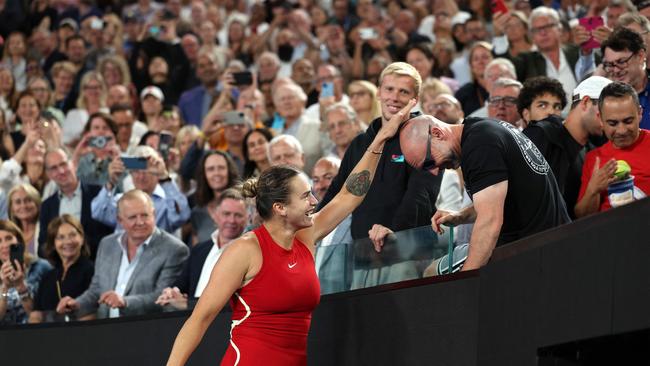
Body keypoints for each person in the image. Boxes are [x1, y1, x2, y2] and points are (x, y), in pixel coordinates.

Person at [165, 98, 417, 366]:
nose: (314, 202)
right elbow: (200, 319)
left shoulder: (306, 236)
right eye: (305, 196)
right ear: (280, 208)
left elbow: (349, 195)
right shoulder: (244, 250)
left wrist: (380, 140)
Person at [396, 112, 570, 273]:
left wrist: (465, 284)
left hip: (535, 248)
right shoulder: (479, 130)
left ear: (437, 134)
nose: (434, 172)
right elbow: (498, 200)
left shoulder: (479, 146)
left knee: (432, 273)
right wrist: (460, 216)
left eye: (428, 163)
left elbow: (490, 221)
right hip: (551, 239)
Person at [56, 190, 189, 319]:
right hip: (107, 330)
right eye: (132, 217)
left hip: (148, 331)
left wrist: (125, 302)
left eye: (145, 215)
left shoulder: (174, 250)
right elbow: (97, 289)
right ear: (120, 220)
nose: (140, 222)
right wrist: (76, 304)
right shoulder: (107, 244)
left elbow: (162, 298)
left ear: (153, 214)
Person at [523, 76, 609, 219]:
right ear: (586, 102)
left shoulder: (593, 151)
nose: (608, 120)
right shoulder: (541, 134)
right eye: (604, 112)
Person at [156, 189, 248, 311]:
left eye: (238, 215)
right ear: (215, 215)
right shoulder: (200, 250)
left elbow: (237, 301)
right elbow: (181, 283)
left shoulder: (249, 254)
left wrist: (187, 304)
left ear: (248, 218)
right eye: (226, 214)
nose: (232, 220)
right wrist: (172, 292)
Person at [575, 81, 650, 217]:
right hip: (609, 234)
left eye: (628, 121)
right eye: (613, 123)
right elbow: (582, 216)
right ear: (601, 120)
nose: (621, 130)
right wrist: (593, 190)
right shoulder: (594, 159)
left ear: (640, 113)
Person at [91, 145, 191, 234]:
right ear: (130, 174)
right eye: (136, 171)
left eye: (147, 171)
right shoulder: (121, 201)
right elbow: (98, 212)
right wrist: (111, 182)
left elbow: (182, 216)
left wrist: (164, 177)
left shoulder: (167, 201)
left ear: (156, 173)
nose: (141, 176)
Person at [39, 148, 113, 258]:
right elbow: (43, 247)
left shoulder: (98, 194)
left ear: (74, 163)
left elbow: (110, 235)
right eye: (54, 168)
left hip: (96, 263)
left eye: (63, 164)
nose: (61, 171)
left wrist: (78, 247)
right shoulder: (46, 206)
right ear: (49, 174)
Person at [29, 215, 94, 323]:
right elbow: (36, 314)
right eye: (61, 237)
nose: (68, 242)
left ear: (82, 238)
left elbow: (92, 313)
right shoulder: (48, 276)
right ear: (53, 243)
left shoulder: (91, 271)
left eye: (72, 235)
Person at [0, 220, 52, 324]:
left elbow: (44, 316)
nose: (4, 245)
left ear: (19, 241)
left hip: (35, 334)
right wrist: (4, 288)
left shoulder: (41, 267)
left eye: (9, 238)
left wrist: (20, 286)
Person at [600, 27, 650, 130]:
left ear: (640, 56)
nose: (616, 70)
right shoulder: (602, 98)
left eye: (621, 62)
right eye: (610, 64)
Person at [189, 151, 240, 244]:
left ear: (229, 171)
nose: (216, 173)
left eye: (221, 168)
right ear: (204, 174)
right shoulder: (197, 213)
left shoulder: (244, 206)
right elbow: (196, 252)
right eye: (210, 169)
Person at [7, 184, 42, 258]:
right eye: (18, 202)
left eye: (28, 200)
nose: (23, 206)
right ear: (12, 208)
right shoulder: (7, 233)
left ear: (37, 203)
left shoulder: (46, 229)